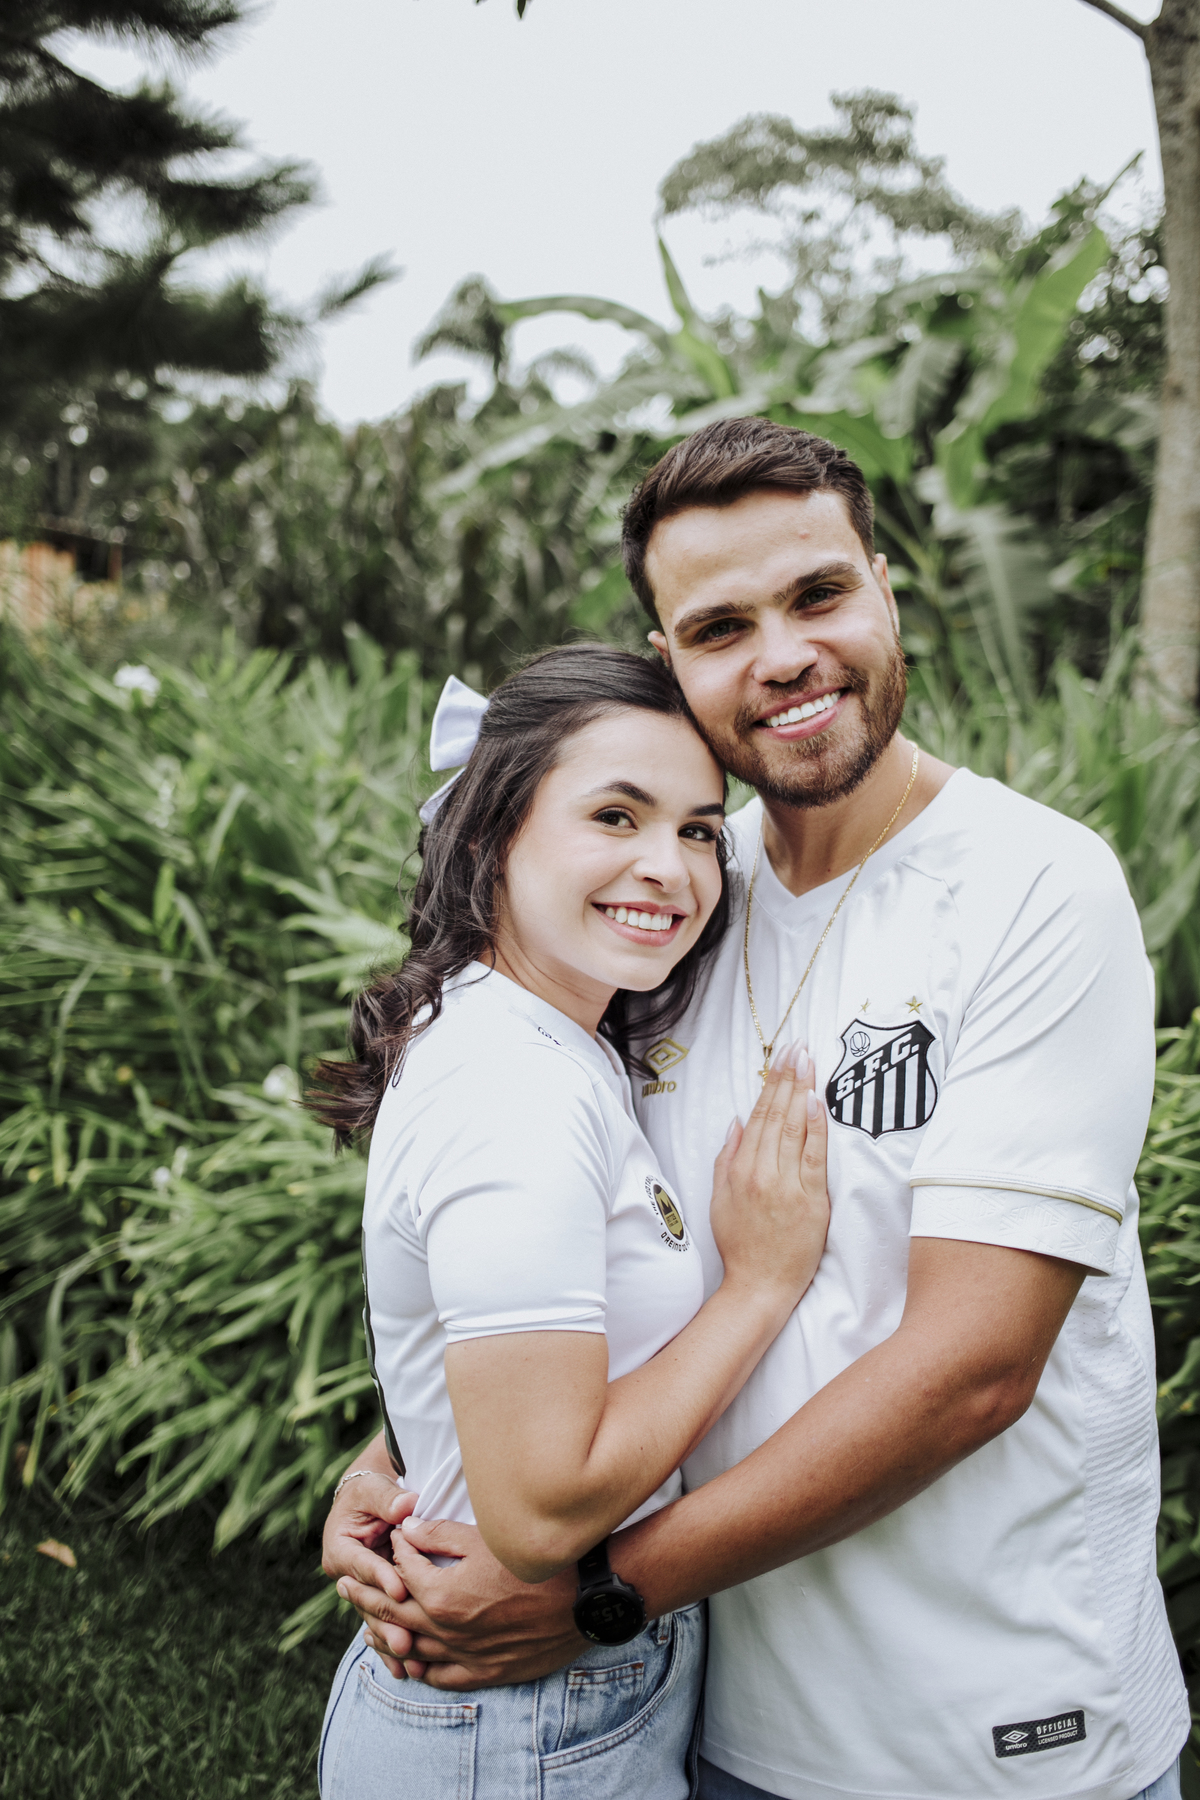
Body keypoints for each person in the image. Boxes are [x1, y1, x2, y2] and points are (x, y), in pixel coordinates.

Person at [324, 421, 1188, 1800]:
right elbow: (571, 1244)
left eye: (818, 594)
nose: (782, 655)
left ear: (886, 590)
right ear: (670, 661)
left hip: (988, 1728)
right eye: (721, 627)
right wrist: (417, 1456)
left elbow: (975, 1367)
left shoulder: (1034, 890)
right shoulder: (673, 898)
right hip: (720, 1715)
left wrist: (599, 1593)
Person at [307, 642, 831, 1800]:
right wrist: (759, 1286)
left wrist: (400, 1456)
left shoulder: (539, 1033)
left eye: (700, 830)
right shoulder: (517, 1087)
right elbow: (541, 1511)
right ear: (489, 837)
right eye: (615, 816)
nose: (670, 868)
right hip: (524, 1728)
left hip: (538, 1710)